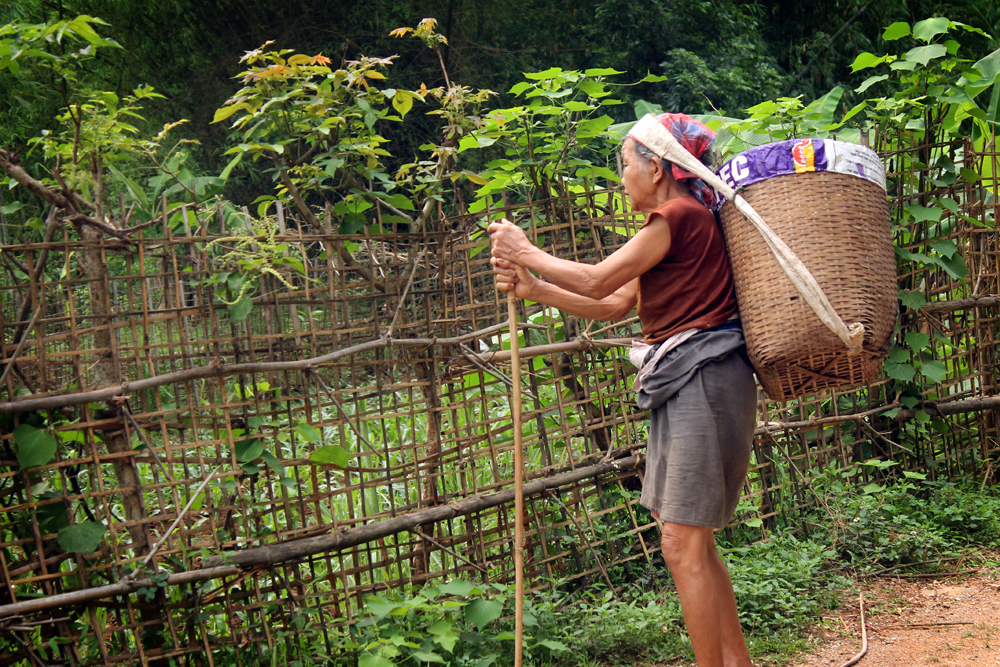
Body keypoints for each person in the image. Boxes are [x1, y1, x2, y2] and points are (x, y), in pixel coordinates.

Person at [488, 113, 757, 667]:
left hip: (701, 378)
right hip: (696, 379)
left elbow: (597, 279)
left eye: (625, 166)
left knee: (681, 546)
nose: (622, 180)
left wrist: (522, 248)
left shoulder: (677, 213)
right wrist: (535, 286)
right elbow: (613, 305)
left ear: (656, 168)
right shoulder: (685, 219)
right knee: (693, 544)